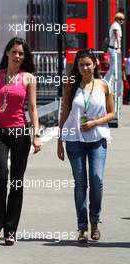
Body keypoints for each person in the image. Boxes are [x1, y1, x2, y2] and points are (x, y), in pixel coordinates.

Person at [0, 37, 41, 245]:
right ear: (7, 53)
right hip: (0, 133)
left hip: (20, 134)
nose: (17, 56)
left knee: (16, 181)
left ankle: (10, 230)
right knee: (1, 178)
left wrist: (36, 135)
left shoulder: (28, 78)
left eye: (21, 53)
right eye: (14, 52)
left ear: (24, 57)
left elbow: (32, 108)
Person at [57, 49, 114, 243]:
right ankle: (82, 227)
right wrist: (60, 140)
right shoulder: (72, 85)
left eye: (88, 64)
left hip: (98, 138)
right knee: (80, 183)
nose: (85, 68)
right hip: (75, 139)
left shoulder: (103, 85)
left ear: (95, 64)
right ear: (77, 67)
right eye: (81, 65)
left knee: (97, 180)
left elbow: (111, 113)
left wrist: (95, 123)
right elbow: (64, 113)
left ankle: (95, 222)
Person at [104, 12, 125, 89]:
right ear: (119, 19)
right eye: (122, 19)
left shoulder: (116, 25)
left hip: (113, 49)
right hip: (113, 49)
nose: (123, 21)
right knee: (113, 67)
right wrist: (119, 48)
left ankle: (108, 82)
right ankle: (106, 81)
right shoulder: (116, 26)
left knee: (114, 67)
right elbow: (117, 37)